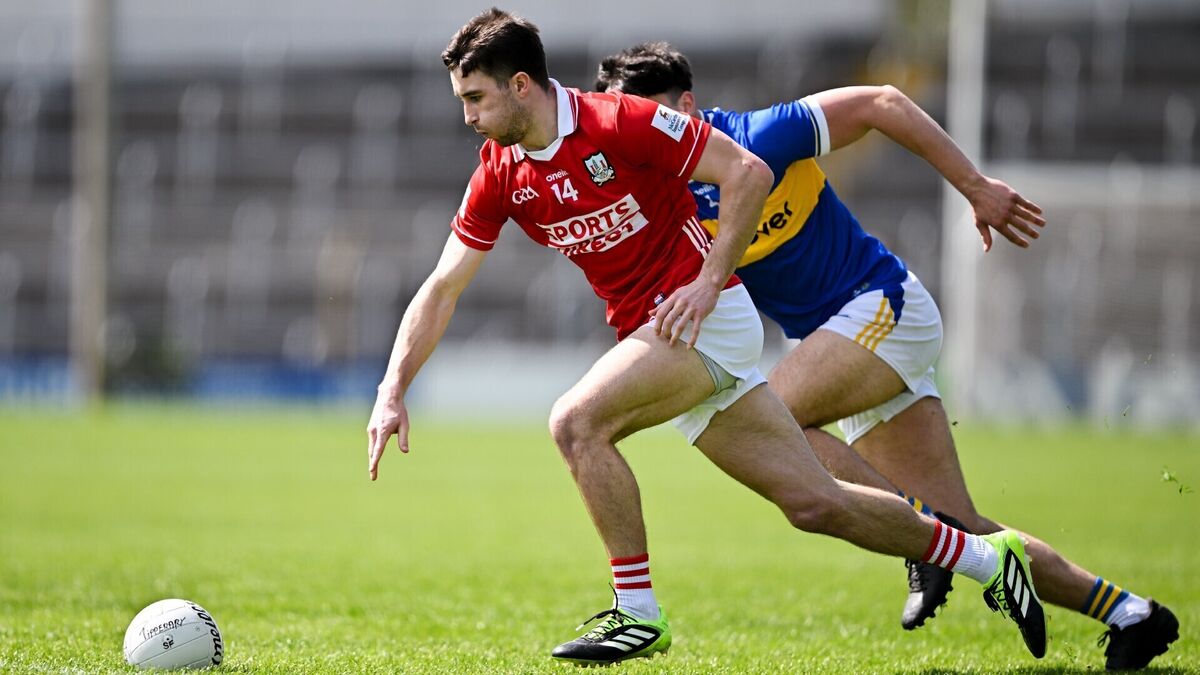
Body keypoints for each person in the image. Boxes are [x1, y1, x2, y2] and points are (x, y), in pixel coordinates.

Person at [366, 8, 1048, 667]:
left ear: (521, 85)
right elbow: (442, 287)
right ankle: (986, 557)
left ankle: (637, 612)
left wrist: (708, 280)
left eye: (476, 98)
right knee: (817, 503)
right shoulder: (500, 172)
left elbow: (748, 171)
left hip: (707, 320)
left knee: (576, 423)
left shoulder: (619, 120)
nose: (468, 116)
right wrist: (393, 387)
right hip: (663, 335)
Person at [595, 41, 1180, 670]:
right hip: (839, 344)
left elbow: (882, 102)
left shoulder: (755, 139)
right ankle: (1133, 615)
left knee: (778, 422)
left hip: (883, 308)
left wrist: (975, 187)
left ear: (686, 106)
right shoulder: (651, 187)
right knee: (964, 530)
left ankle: (925, 547)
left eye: (644, 115)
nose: (633, 132)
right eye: (620, 120)